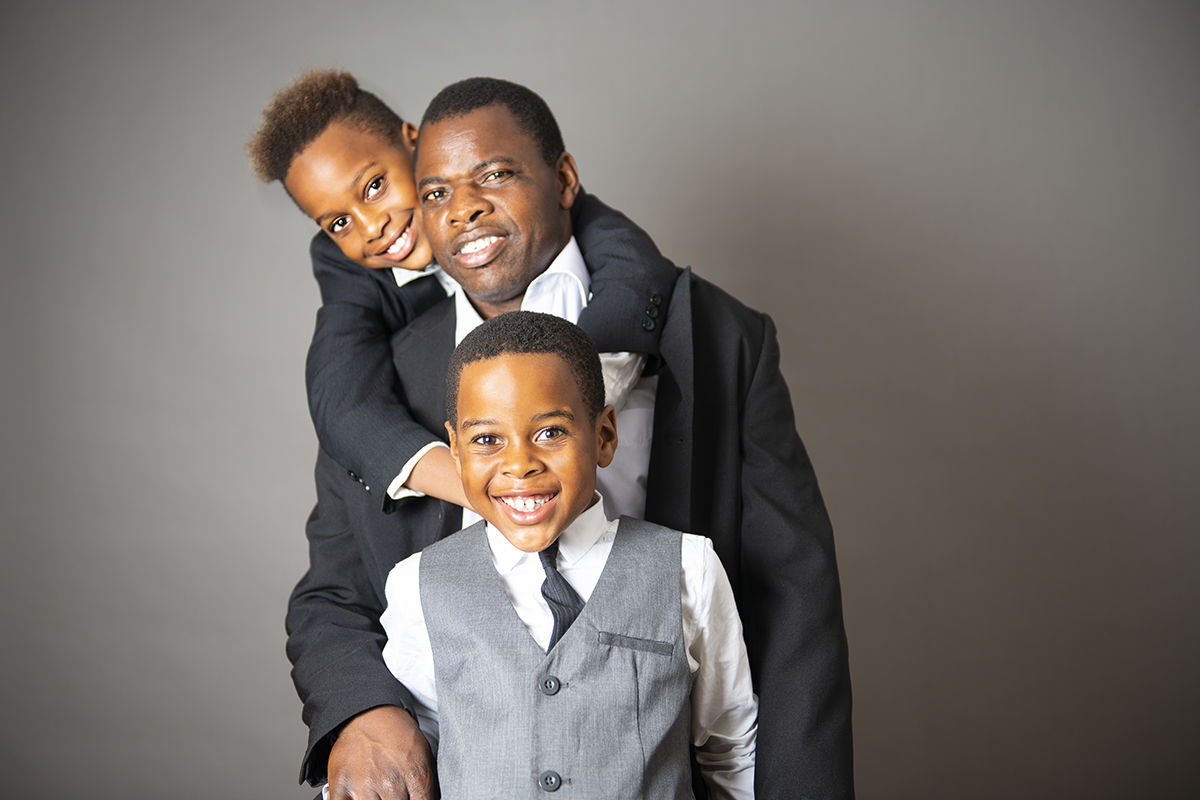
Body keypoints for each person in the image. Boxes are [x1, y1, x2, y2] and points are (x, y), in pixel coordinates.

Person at [285, 77, 854, 800]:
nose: (466, 209)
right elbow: (332, 592)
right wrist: (361, 711)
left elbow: (793, 600)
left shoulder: (709, 336)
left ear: (564, 179)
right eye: (436, 194)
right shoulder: (382, 387)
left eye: (494, 174)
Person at [246, 69, 678, 512]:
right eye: (339, 223)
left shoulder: (537, 203)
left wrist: (580, 409)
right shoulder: (347, 268)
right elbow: (341, 396)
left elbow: (633, 270)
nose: (372, 226)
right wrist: (483, 489)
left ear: (414, 142)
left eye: (375, 186)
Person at [380, 311, 757, 799]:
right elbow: (416, 752)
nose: (519, 464)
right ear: (455, 451)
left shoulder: (689, 567)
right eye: (487, 440)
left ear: (603, 436)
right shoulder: (417, 584)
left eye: (550, 432)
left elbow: (731, 752)